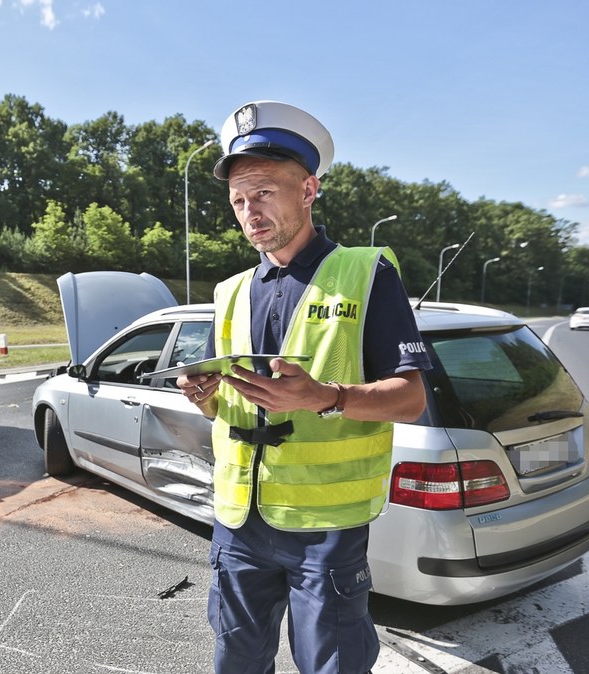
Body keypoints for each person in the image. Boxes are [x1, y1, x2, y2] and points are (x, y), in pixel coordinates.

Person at [176, 101, 433, 674]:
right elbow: (232, 404)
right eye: (239, 200)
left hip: (326, 529)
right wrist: (207, 396)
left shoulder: (368, 272)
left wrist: (326, 396)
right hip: (239, 519)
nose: (250, 212)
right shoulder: (230, 290)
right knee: (237, 659)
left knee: (333, 665)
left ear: (309, 188)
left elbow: (412, 400)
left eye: (264, 192)